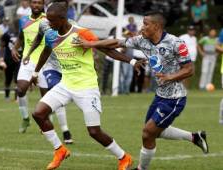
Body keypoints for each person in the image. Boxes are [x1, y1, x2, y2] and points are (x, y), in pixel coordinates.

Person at [77, 11, 209, 170]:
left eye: (146, 24)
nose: (142, 27)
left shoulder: (176, 43)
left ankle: (141, 168)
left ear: (157, 26)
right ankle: (194, 137)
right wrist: (91, 44)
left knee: (147, 133)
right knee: (154, 133)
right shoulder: (142, 41)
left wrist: (169, 77)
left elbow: (189, 69)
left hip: (175, 98)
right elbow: (116, 43)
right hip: (160, 95)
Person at [29, 2, 145, 170]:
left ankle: (124, 157)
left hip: (86, 87)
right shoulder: (52, 34)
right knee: (39, 113)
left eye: (52, 21)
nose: (48, 23)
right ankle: (60, 150)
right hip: (65, 85)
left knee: (94, 132)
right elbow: (46, 51)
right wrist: (35, 73)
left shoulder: (81, 33)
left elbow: (106, 49)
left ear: (63, 19)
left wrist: (132, 60)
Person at [21, 0, 74, 143]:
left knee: (53, 99)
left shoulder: (73, 25)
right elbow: (39, 39)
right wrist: (29, 54)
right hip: (50, 66)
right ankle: (65, 132)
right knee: (55, 96)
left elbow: (84, 42)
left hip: (67, 66)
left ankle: (49, 122)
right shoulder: (45, 23)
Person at [11, 0, 48, 134]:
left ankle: (44, 121)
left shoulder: (48, 20)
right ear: (30, 4)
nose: (36, 5)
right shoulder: (24, 20)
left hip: (45, 61)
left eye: (39, 3)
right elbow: (21, 37)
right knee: (20, 90)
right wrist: (14, 48)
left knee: (46, 96)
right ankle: (25, 118)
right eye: (34, 2)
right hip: (27, 60)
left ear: (43, 4)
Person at [0, 19, 20, 101]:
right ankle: (7, 97)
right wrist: (1, 58)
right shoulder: (7, 34)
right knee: (8, 79)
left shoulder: (23, 34)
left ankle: (16, 98)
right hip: (8, 59)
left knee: (17, 79)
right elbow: (1, 45)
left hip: (18, 59)